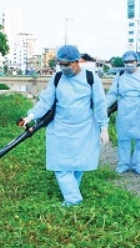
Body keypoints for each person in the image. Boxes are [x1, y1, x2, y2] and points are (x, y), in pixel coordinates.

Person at [19, 45, 109, 207]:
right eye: (61, 64)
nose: (63, 67)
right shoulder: (57, 78)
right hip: (60, 127)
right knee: (60, 164)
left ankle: (72, 191)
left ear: (77, 62)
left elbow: (100, 104)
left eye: (67, 64)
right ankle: (73, 199)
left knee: (78, 163)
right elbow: (46, 101)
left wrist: (104, 128)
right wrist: (30, 116)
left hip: (84, 128)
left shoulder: (91, 78)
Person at [105, 50, 140, 175]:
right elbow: (113, 93)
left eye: (131, 62)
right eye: (126, 62)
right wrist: (103, 106)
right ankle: (123, 164)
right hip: (124, 108)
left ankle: (138, 164)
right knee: (123, 139)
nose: (129, 64)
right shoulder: (120, 75)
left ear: (137, 62)